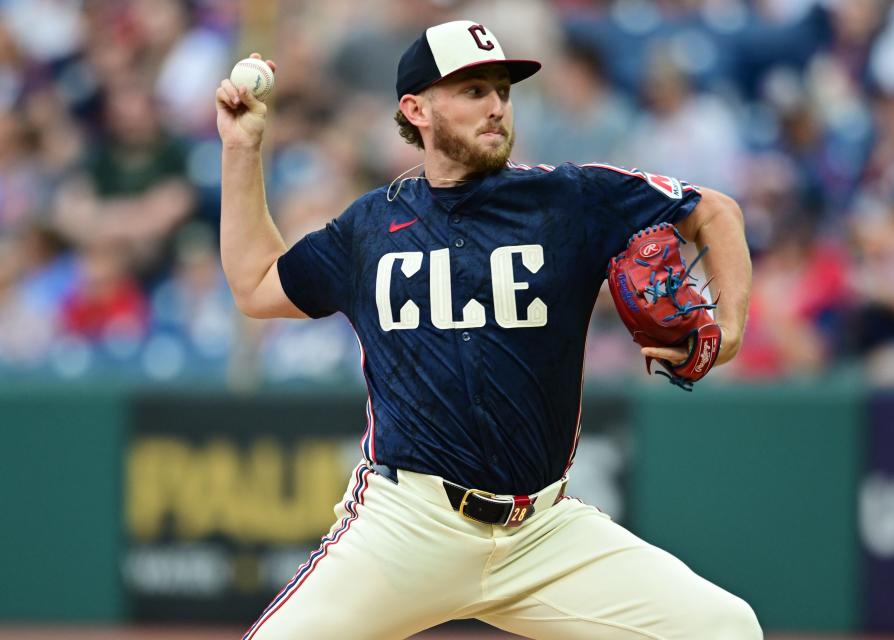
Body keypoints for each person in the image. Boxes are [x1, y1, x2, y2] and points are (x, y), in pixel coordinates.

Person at [216, 20, 759, 640]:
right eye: (473, 90)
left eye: (503, 89)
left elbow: (715, 211)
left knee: (724, 628)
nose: (497, 105)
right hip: (409, 524)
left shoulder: (570, 199)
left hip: (541, 532)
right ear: (415, 108)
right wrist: (241, 149)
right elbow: (257, 285)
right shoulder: (369, 227)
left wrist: (731, 326)